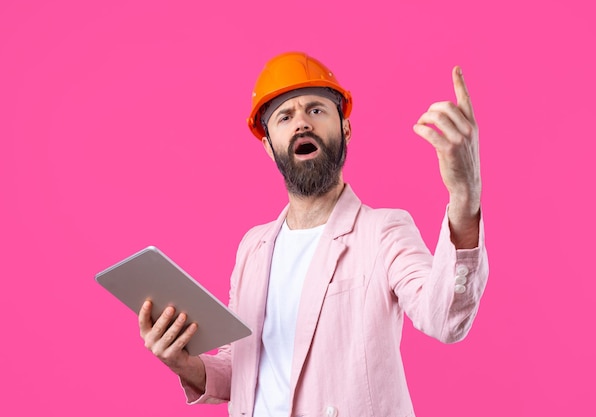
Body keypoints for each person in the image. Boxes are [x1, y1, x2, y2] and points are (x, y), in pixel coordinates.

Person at [138, 51, 488, 416]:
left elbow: (445, 316)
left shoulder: (383, 231)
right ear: (269, 147)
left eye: (316, 110)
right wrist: (183, 363)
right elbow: (244, 367)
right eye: (285, 116)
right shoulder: (253, 248)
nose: (302, 123)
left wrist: (465, 196)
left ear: (346, 129)